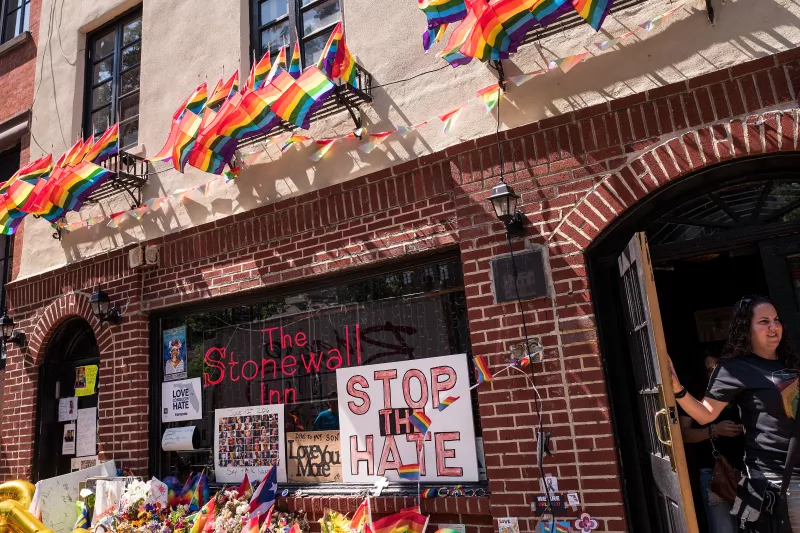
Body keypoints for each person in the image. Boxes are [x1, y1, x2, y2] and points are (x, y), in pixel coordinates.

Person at [670, 295, 800, 531]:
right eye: (763, 321)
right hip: (778, 476)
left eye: (776, 320)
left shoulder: (791, 362)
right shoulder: (734, 368)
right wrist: (678, 390)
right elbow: (705, 414)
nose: (773, 327)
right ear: (746, 328)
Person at [679, 354, 744, 533]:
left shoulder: (739, 392)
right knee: (724, 529)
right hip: (715, 473)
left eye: (719, 367)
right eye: (710, 369)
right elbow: (684, 435)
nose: (715, 372)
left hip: (748, 471)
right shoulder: (695, 397)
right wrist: (714, 430)